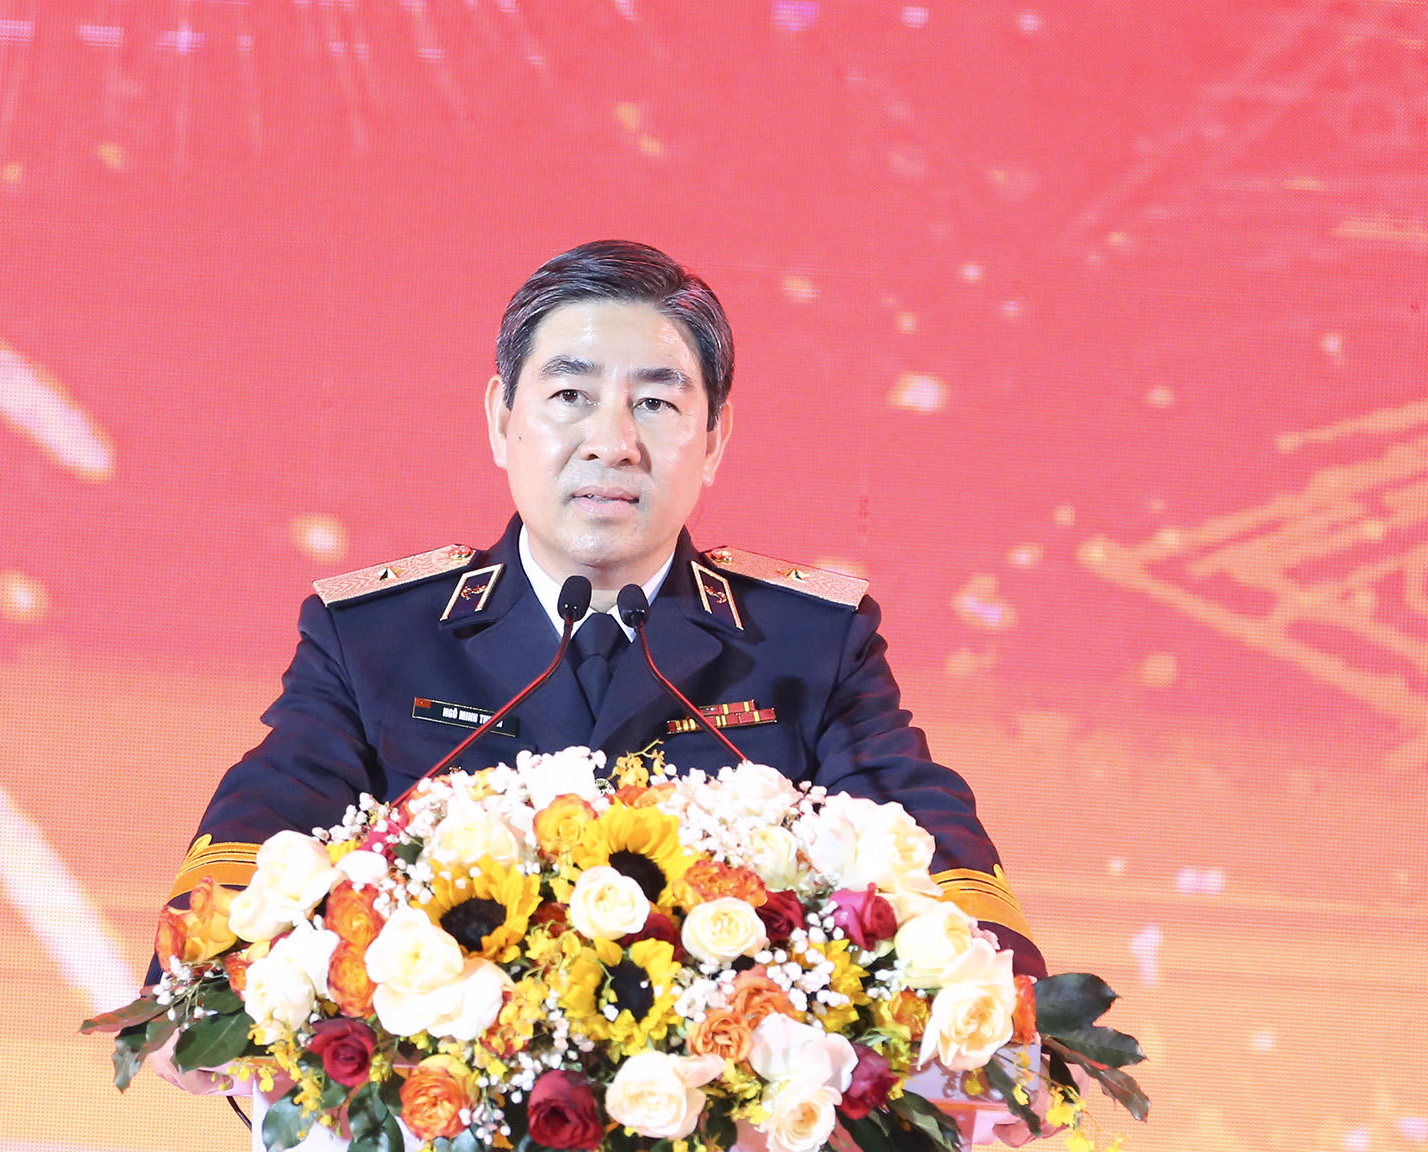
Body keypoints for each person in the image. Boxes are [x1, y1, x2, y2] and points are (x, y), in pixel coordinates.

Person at [149, 241, 1045, 1110]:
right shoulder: (377, 636)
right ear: (501, 419)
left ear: (714, 438)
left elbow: (910, 817)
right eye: (570, 396)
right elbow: (277, 800)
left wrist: (1006, 999)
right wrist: (193, 973)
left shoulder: (805, 643)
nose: (611, 442)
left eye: (654, 403)